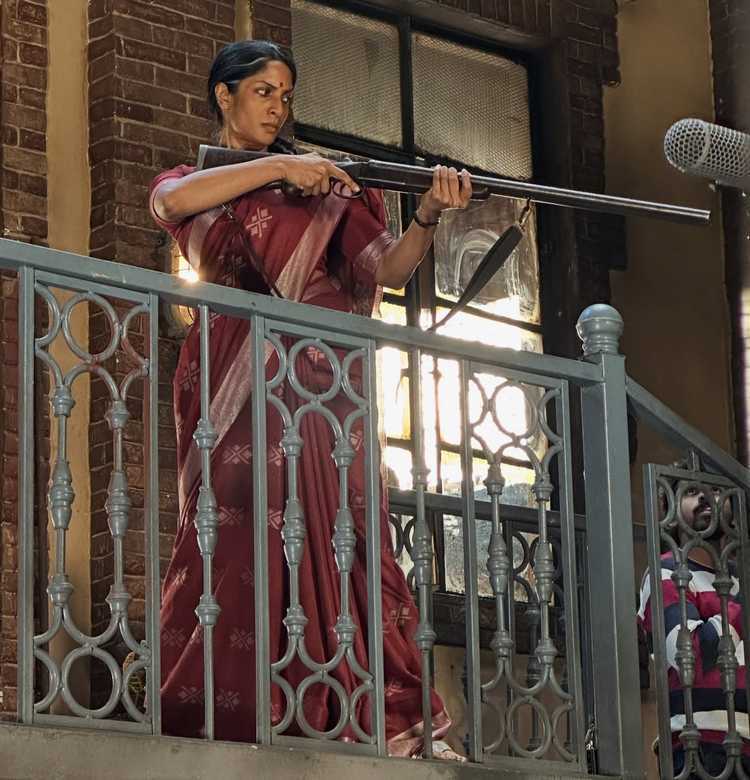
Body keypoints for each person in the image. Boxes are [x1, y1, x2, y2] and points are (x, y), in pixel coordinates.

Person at [149, 40, 472, 757]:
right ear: (224, 95)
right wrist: (279, 168)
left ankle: (360, 709)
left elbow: (385, 268)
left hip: (318, 394)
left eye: (287, 96)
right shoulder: (202, 177)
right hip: (228, 384)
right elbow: (169, 201)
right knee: (234, 530)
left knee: (339, 535)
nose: (278, 108)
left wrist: (426, 216)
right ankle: (232, 708)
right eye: (263, 91)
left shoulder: (324, 189)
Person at [638, 474, 748, 777]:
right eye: (691, 491)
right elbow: (692, 656)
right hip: (701, 747)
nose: (704, 497)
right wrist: (742, 608)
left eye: (716, 490)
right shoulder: (666, 571)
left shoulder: (742, 578)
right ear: (672, 513)